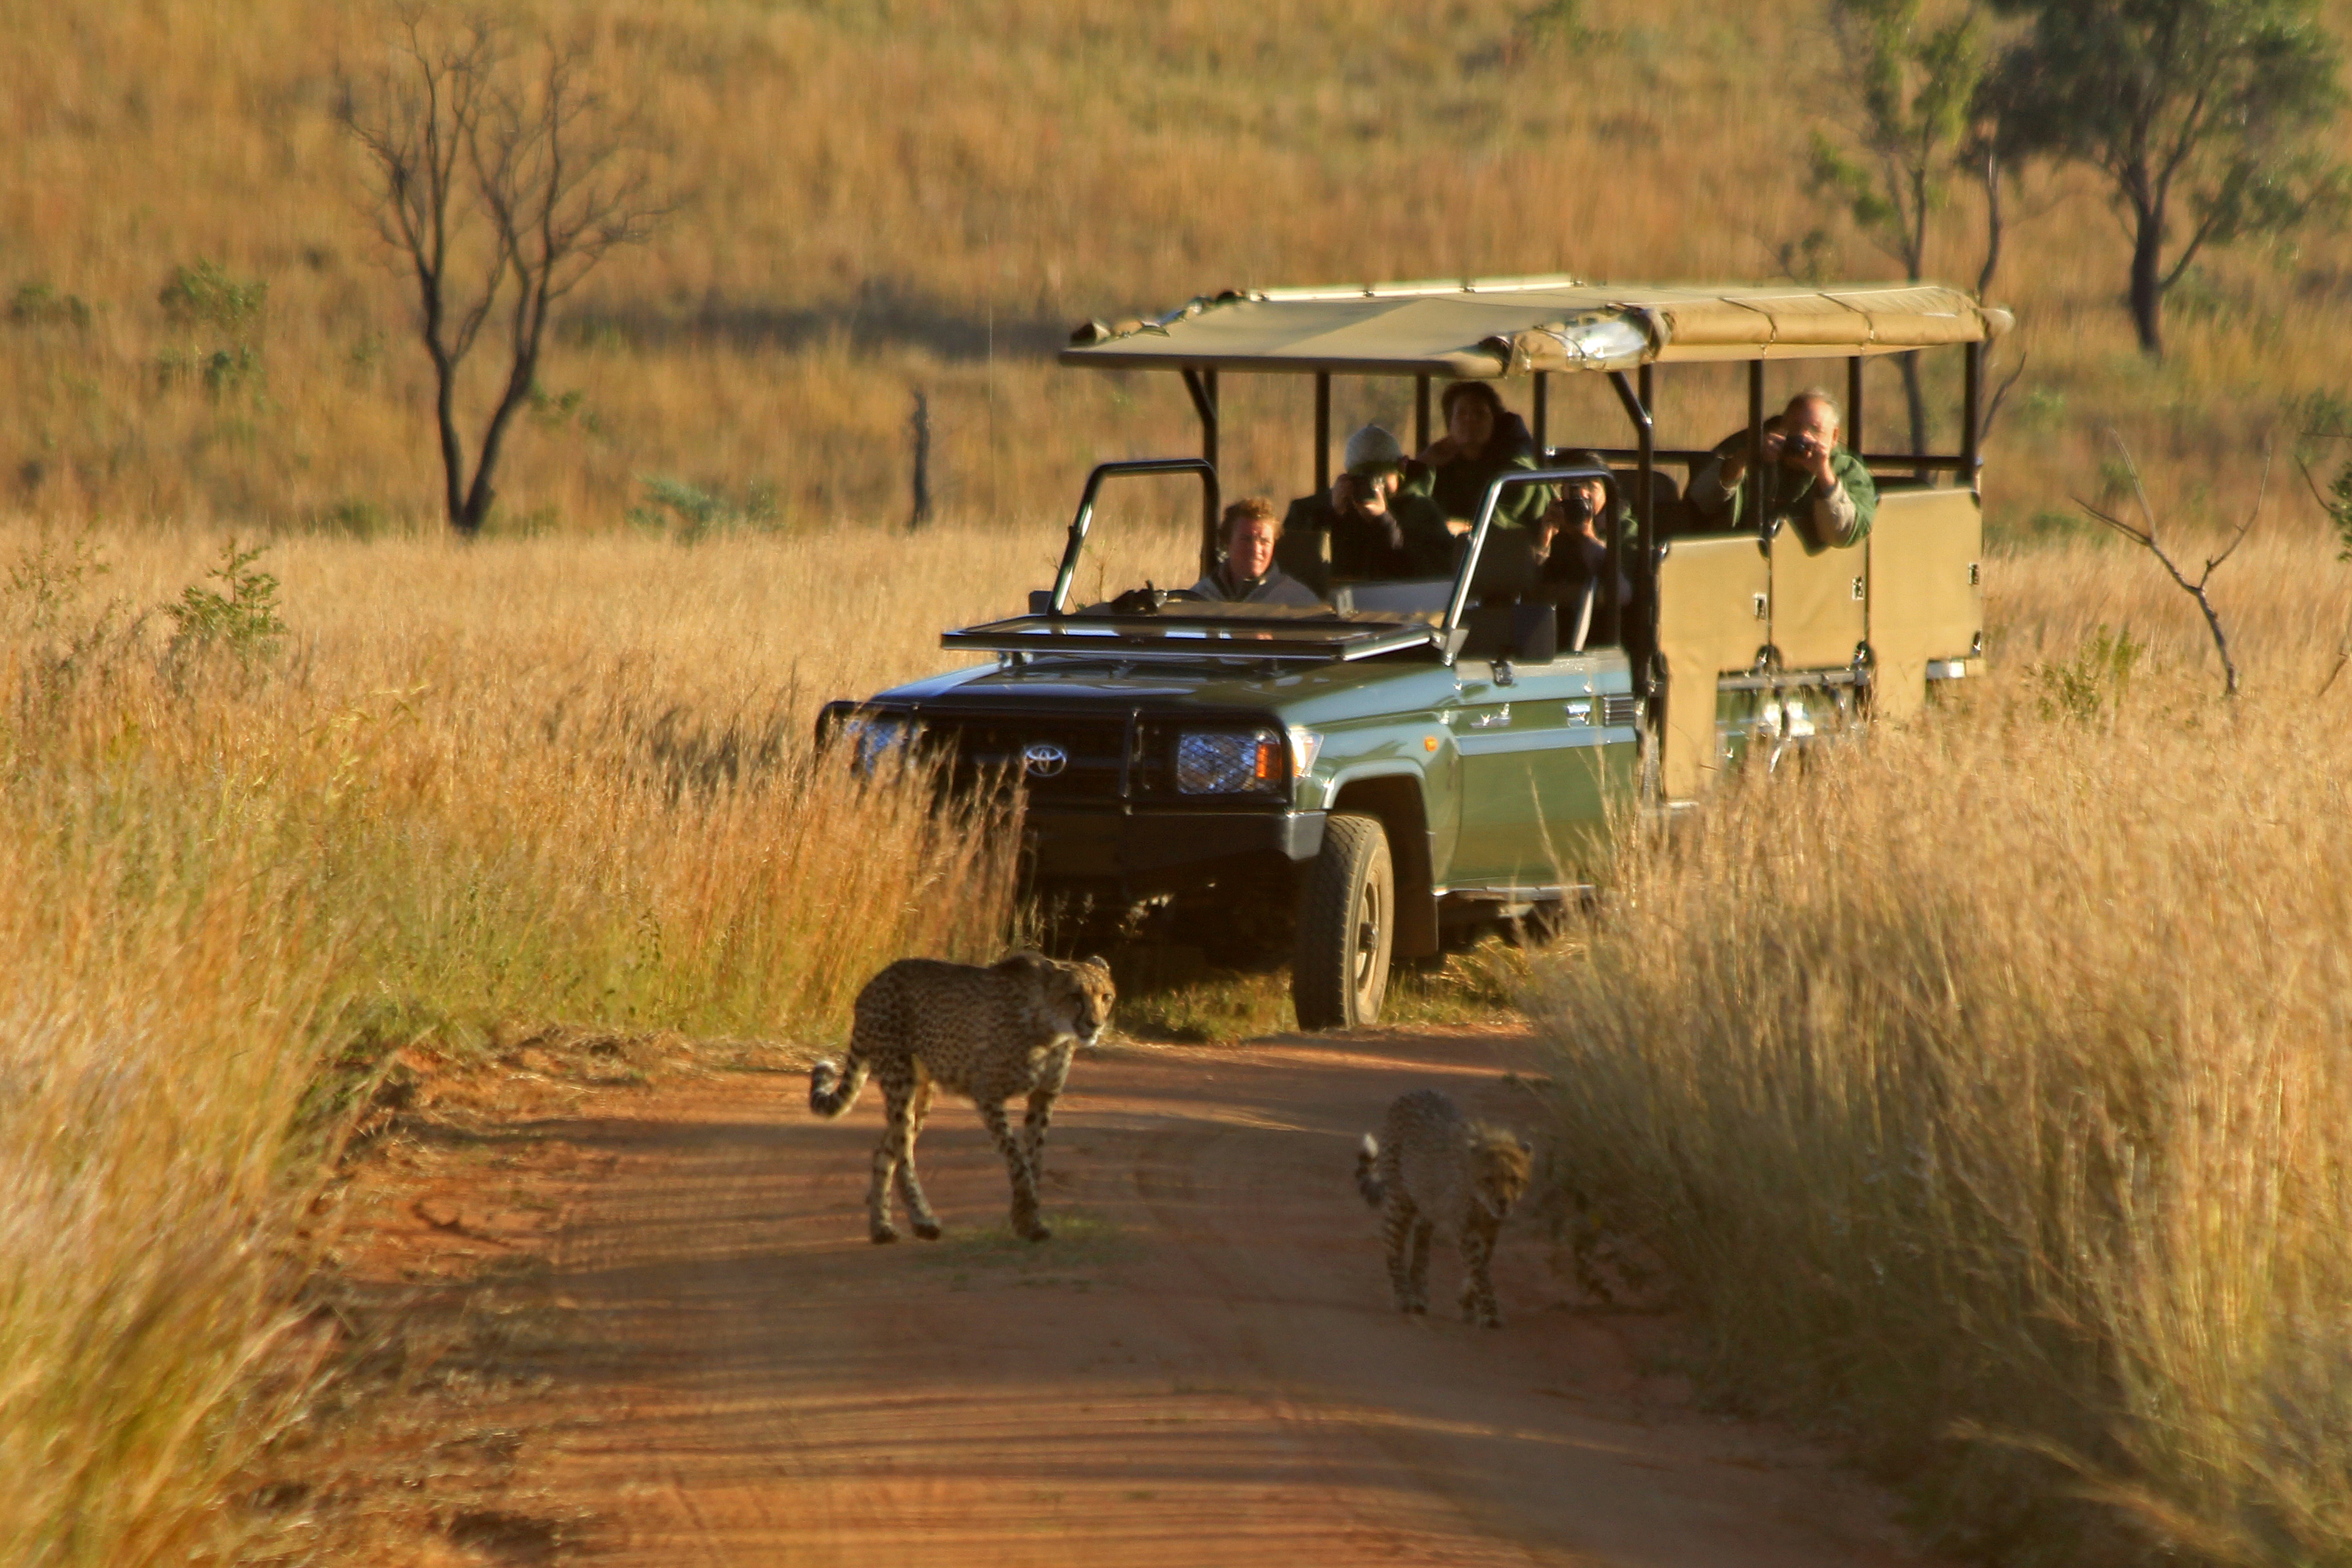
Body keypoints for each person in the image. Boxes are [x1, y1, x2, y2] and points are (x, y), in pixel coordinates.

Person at [1686, 392, 1877, 551]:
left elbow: (1843, 534)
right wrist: (1741, 461)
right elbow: (1700, 502)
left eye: (1815, 431)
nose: (1803, 437)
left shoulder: (1846, 469)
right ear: (1781, 424)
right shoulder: (1748, 447)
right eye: (1794, 427)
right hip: (1733, 557)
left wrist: (1824, 473)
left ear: (1834, 437)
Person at [1279, 424, 1457, 590]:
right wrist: (1332, 517)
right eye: (1362, 478)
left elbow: (1434, 576)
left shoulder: (1422, 512)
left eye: (1380, 476)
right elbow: (1294, 574)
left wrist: (1385, 523)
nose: (1373, 486)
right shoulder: (1313, 511)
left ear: (1403, 466)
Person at [1404, 382, 1547, 535]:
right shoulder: (1441, 467)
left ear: (1494, 422)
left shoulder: (1516, 471)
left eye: (1480, 414)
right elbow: (1411, 510)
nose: (1470, 419)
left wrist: (1464, 527)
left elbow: (1506, 524)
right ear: (1450, 425)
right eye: (1461, 413)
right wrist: (1421, 466)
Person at [1190, 496, 1324, 606]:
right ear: (1227, 541)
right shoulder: (1200, 598)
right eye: (1246, 539)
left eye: (1264, 541)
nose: (1255, 549)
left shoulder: (1298, 602)